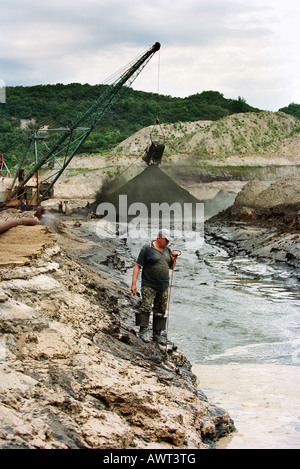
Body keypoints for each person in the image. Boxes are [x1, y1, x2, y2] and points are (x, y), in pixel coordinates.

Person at [131, 229, 179, 344]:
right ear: (159, 237)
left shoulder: (167, 250)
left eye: (168, 241)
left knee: (160, 310)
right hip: (149, 284)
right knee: (146, 307)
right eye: (165, 240)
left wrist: (174, 259)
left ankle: (157, 334)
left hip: (163, 285)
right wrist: (134, 284)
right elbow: (138, 266)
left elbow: (171, 267)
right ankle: (142, 331)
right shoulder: (147, 248)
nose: (167, 243)